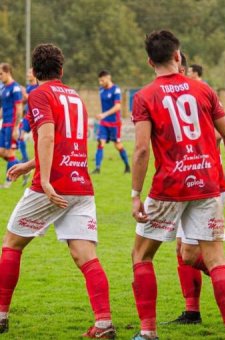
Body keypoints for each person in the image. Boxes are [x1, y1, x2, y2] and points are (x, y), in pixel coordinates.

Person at [129, 30, 225, 340]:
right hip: (208, 182)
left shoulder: (144, 96)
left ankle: (147, 332)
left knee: (141, 256)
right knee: (216, 258)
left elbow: (141, 150)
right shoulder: (203, 90)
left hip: (170, 186)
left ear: (149, 61)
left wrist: (135, 194)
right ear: (178, 56)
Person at [0, 43, 115, 338]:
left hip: (53, 184)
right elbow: (66, 141)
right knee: (86, 256)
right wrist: (28, 164)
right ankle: (103, 323)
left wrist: (45, 179)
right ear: (61, 70)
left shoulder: (39, 94)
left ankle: (0, 316)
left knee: (12, 244)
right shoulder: (75, 97)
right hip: (81, 184)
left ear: (35, 73)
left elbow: (49, 136)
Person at [165, 53, 225, 327]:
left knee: (194, 254)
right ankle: (192, 310)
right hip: (183, 180)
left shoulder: (200, 93)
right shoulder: (171, 94)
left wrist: (207, 153)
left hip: (204, 180)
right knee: (182, 249)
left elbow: (223, 134)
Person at [93, 70, 130, 174]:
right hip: (104, 122)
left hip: (114, 122)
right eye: (99, 81)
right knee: (100, 142)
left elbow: (118, 106)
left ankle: (127, 166)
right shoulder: (101, 90)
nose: (100, 83)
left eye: (102, 80)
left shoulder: (116, 90)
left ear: (108, 78)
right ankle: (97, 168)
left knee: (117, 145)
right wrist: (102, 115)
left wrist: (104, 114)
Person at [0, 63, 23, 188]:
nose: (0, 77)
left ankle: (8, 181)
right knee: (2, 151)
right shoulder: (3, 88)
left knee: (10, 153)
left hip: (12, 124)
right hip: (4, 124)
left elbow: (19, 109)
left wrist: (16, 127)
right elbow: (3, 108)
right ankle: (25, 169)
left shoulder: (15, 88)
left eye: (1, 74)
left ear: (8, 72)